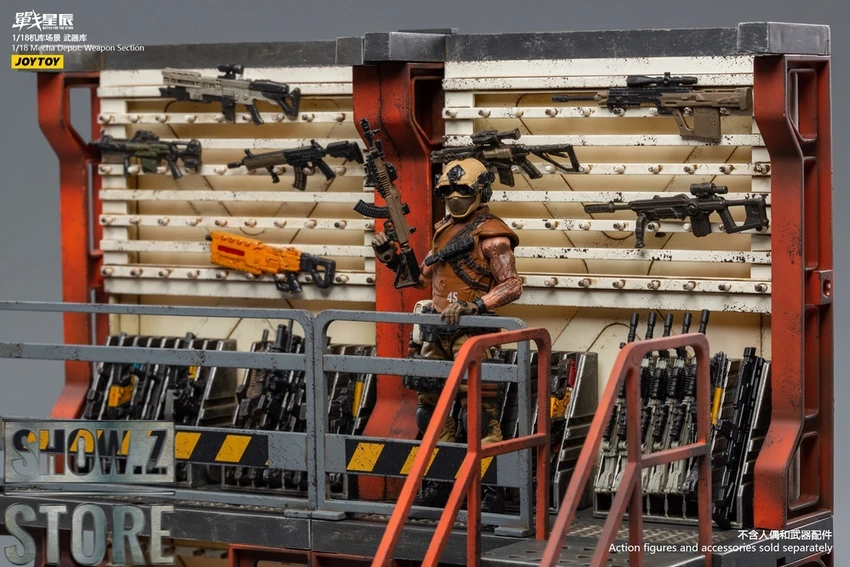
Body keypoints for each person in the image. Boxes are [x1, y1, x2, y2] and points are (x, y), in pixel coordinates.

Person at [371, 158, 522, 513]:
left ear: (481, 191)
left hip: (471, 332)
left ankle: (491, 490)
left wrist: (476, 306)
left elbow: (512, 285)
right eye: (447, 191)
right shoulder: (444, 230)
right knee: (431, 411)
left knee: (478, 414)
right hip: (436, 330)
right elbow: (422, 279)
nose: (454, 197)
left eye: (463, 190)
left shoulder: (493, 236)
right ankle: (441, 483)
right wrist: (391, 258)